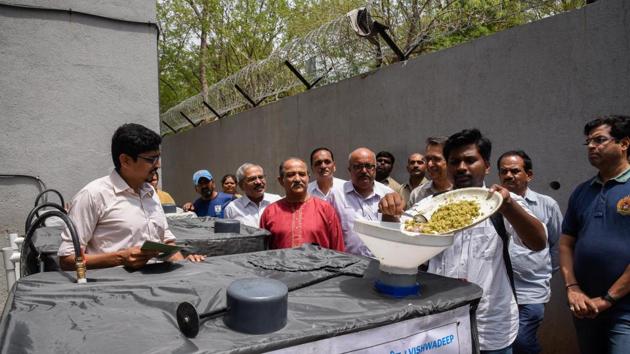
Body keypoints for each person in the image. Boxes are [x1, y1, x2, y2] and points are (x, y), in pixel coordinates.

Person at [380, 129, 547, 353]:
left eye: (470, 160)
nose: (461, 167)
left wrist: (508, 206)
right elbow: (401, 250)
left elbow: (538, 242)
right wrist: (390, 214)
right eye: (454, 161)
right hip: (442, 324)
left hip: (491, 324)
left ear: (486, 166)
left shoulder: (502, 203)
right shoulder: (429, 206)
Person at [57, 123, 204, 270]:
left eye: (158, 157)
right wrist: (120, 258)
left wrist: (184, 263)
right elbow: (67, 259)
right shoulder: (92, 196)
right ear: (125, 160)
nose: (157, 165)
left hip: (158, 289)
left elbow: (167, 244)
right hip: (117, 290)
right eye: (151, 159)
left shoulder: (150, 193)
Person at [560, 115, 630, 354]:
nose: (591, 146)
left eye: (599, 140)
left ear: (624, 143)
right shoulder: (582, 191)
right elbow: (566, 243)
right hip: (585, 304)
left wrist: (608, 299)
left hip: (625, 308)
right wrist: (572, 288)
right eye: (588, 142)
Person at [498, 150, 563, 354]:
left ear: (529, 175)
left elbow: (557, 245)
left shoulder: (546, 205)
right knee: (504, 342)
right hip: (501, 290)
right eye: (504, 171)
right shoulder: (492, 205)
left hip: (532, 290)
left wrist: (544, 273)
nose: (509, 176)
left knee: (523, 341)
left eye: (515, 171)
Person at [259, 158, 344, 251]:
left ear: (308, 178)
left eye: (302, 174)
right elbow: (262, 252)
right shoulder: (270, 212)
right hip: (282, 265)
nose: (297, 179)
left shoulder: (325, 209)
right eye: (290, 175)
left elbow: (338, 249)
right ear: (281, 180)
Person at [330, 147, 394, 256]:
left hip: (381, 263)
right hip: (347, 263)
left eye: (369, 166)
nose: (364, 171)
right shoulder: (335, 195)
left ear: (375, 168)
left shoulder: (388, 194)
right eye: (358, 166)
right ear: (349, 169)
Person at [224, 163, 281, 227]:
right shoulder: (232, 208)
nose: (259, 182)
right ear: (241, 185)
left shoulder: (277, 200)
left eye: (261, 177)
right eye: (252, 179)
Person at [408, 137, 453, 208]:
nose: (429, 164)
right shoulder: (416, 194)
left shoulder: (464, 190)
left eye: (436, 159)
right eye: (427, 159)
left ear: (450, 160)